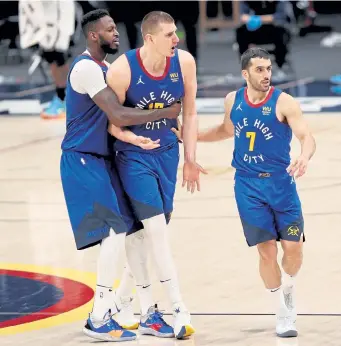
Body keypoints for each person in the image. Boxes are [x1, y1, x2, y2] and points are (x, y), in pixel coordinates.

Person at [60, 9, 183, 342]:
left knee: (135, 231)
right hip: (84, 159)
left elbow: (120, 122)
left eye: (116, 28)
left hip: (107, 158)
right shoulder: (86, 68)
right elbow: (116, 113)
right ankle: (99, 314)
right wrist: (166, 112)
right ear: (92, 35)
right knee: (115, 231)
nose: (116, 33)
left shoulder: (108, 69)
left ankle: (146, 311)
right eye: (109, 29)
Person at [193, 47, 316, 337]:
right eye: (260, 70)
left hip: (281, 183)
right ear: (245, 73)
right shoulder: (232, 100)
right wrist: (192, 136)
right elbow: (226, 130)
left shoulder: (283, 102)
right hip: (247, 185)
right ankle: (282, 311)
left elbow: (306, 136)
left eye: (269, 69)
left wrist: (304, 155)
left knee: (293, 249)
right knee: (266, 251)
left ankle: (288, 287)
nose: (266, 75)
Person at [105, 11, 205, 340]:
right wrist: (133, 139)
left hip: (167, 154)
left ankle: (120, 303)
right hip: (134, 157)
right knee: (157, 233)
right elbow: (112, 122)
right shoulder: (123, 70)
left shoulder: (184, 63)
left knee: (144, 236)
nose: (176, 39)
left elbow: (189, 113)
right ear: (149, 38)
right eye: (169, 35)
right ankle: (178, 309)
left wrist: (190, 158)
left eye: (176, 33)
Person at [236, 1, 291, 81]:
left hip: (272, 29)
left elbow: (280, 16)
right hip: (254, 30)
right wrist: (251, 19)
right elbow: (243, 16)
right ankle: (246, 68)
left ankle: (280, 66)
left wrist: (259, 19)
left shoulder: (279, 2)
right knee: (240, 32)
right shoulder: (247, 2)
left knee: (281, 33)